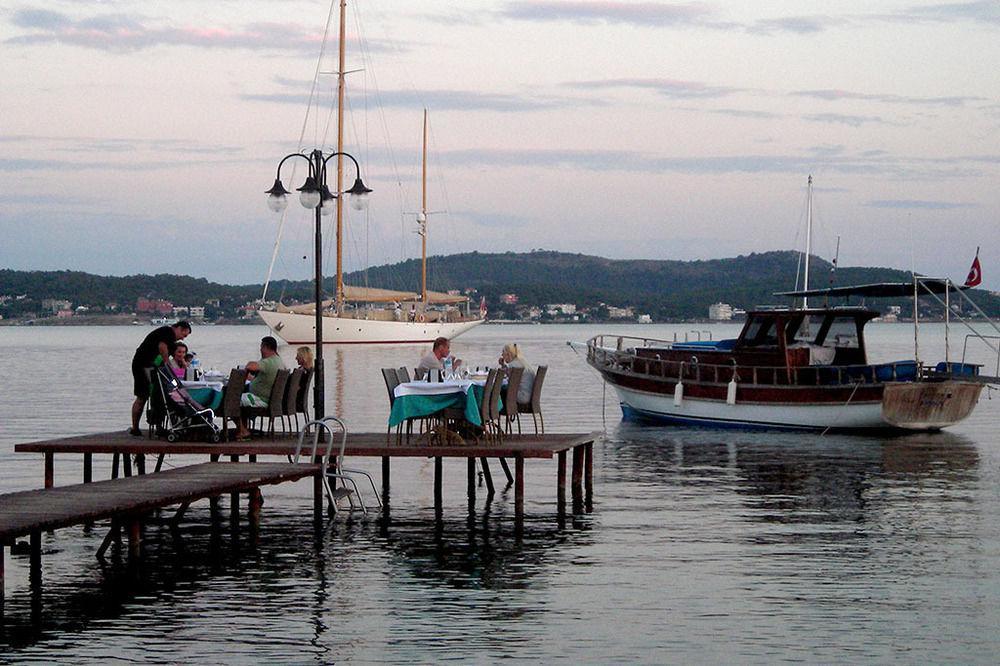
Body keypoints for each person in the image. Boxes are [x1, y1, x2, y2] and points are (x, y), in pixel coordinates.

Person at [130, 320, 191, 436]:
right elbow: (162, 347)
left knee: (160, 393)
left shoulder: (171, 339)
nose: (183, 338)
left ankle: (159, 426)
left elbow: (173, 352)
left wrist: (183, 363)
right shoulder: (168, 332)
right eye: (184, 335)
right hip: (142, 364)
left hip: (151, 366)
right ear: (179, 329)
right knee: (142, 395)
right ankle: (135, 428)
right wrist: (167, 363)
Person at [234, 336, 285, 440]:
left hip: (261, 399)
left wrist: (247, 365)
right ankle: (242, 429)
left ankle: (243, 430)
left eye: (261, 347)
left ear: (266, 347)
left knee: (231, 400)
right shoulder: (278, 361)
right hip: (268, 398)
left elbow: (250, 366)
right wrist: (253, 380)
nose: (260, 350)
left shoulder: (268, 362)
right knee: (239, 397)